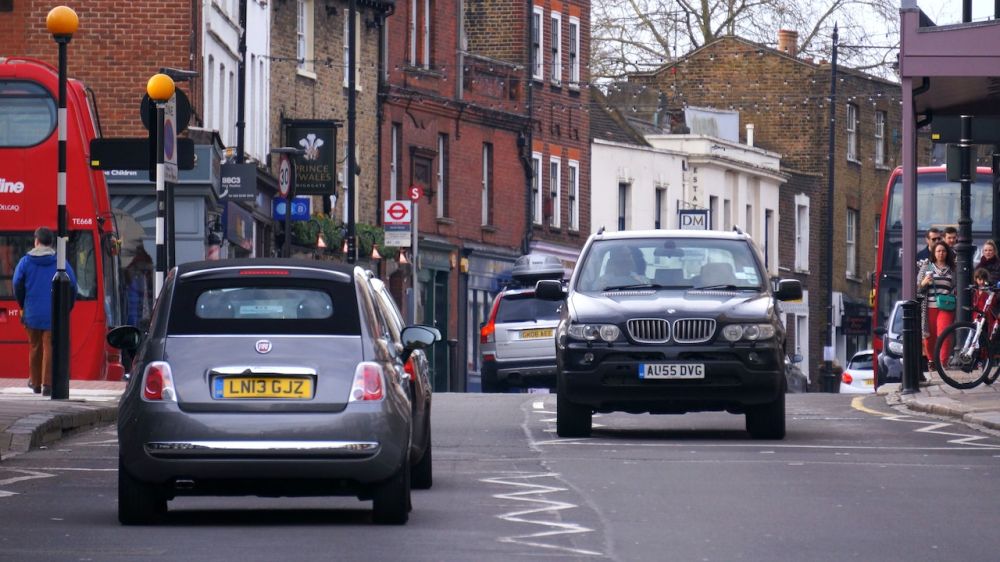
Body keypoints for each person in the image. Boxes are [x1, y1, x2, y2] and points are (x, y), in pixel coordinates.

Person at [12, 227, 78, 396]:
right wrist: (65, 309)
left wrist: (23, 304)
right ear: (51, 243)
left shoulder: (25, 262)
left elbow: (17, 284)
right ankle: (47, 384)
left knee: (34, 347)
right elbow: (72, 286)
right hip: (53, 314)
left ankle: (35, 383)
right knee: (49, 348)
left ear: (36, 241)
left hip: (32, 312)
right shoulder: (60, 262)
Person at [917, 241, 955, 371]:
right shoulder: (927, 267)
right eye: (938, 251)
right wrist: (924, 282)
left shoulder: (952, 268)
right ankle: (932, 360)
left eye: (943, 251)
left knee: (944, 333)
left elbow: (956, 287)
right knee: (929, 336)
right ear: (934, 253)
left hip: (946, 306)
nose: (941, 253)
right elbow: (917, 288)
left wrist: (954, 293)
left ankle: (942, 362)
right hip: (929, 307)